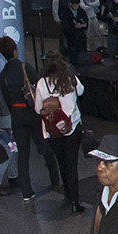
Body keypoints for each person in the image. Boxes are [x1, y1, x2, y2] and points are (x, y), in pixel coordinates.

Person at [0, 36, 45, 201]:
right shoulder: (25, 67)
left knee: (23, 154)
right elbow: (39, 86)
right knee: (44, 145)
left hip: (16, 114)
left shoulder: (3, 75)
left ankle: (26, 191)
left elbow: (7, 99)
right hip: (31, 112)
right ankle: (55, 179)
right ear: (15, 51)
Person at [34, 52, 86, 212]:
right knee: (72, 164)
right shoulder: (69, 78)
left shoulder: (42, 83)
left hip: (53, 130)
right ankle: (75, 202)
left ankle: (67, 195)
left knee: (61, 162)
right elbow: (81, 91)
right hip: (72, 127)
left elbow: (38, 109)